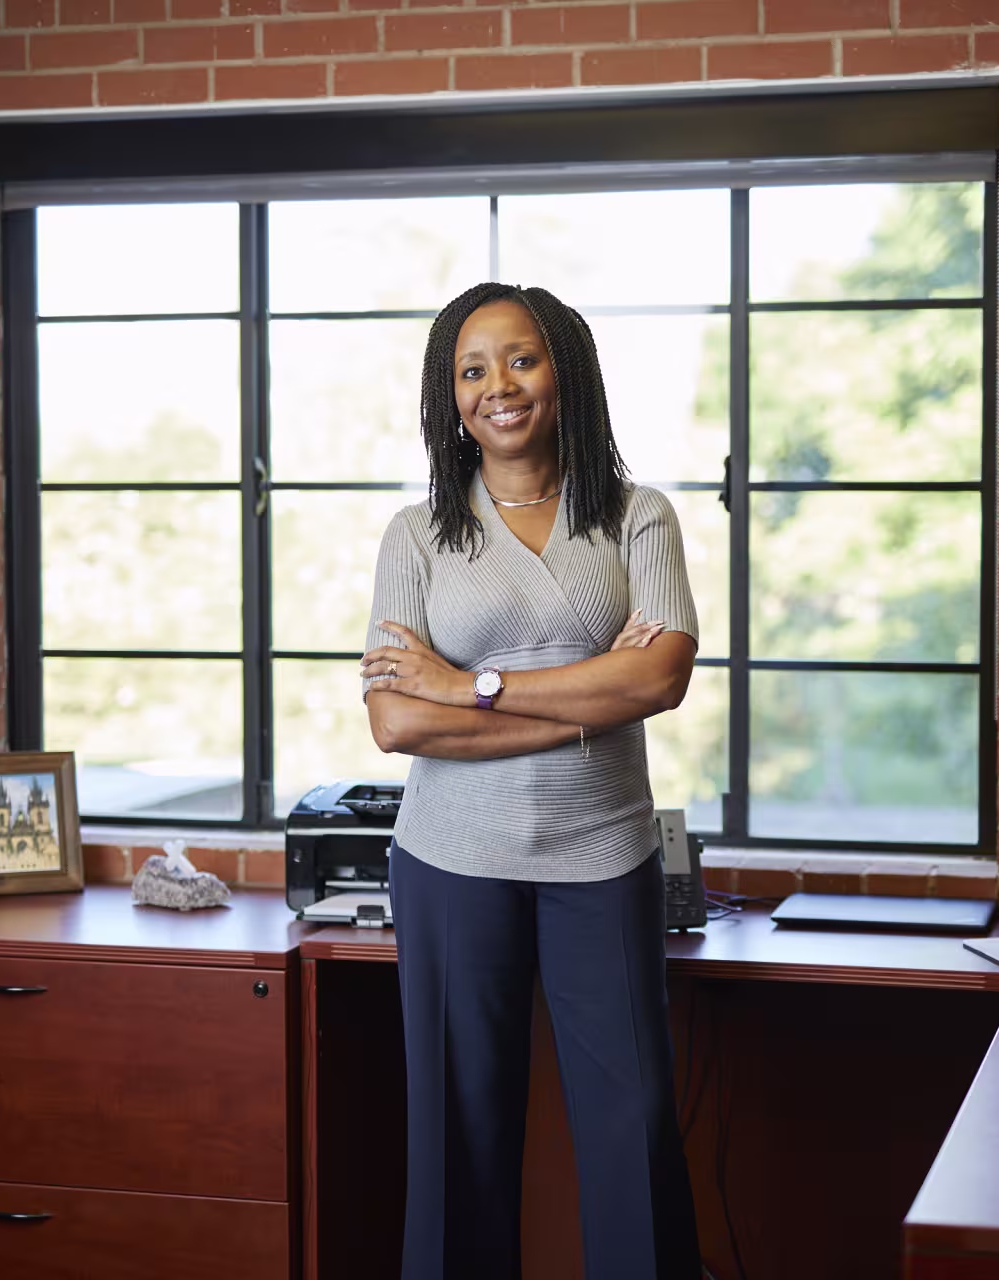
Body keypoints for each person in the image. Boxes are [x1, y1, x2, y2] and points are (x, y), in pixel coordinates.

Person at [359, 281, 704, 1280]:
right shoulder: (415, 536)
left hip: (604, 858)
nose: (497, 387)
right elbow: (395, 721)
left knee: (632, 1129)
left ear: (565, 370)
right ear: (448, 396)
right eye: (471, 369)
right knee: (459, 1139)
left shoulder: (638, 517)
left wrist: (472, 686)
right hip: (450, 862)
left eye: (520, 358)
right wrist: (590, 695)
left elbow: (662, 675)